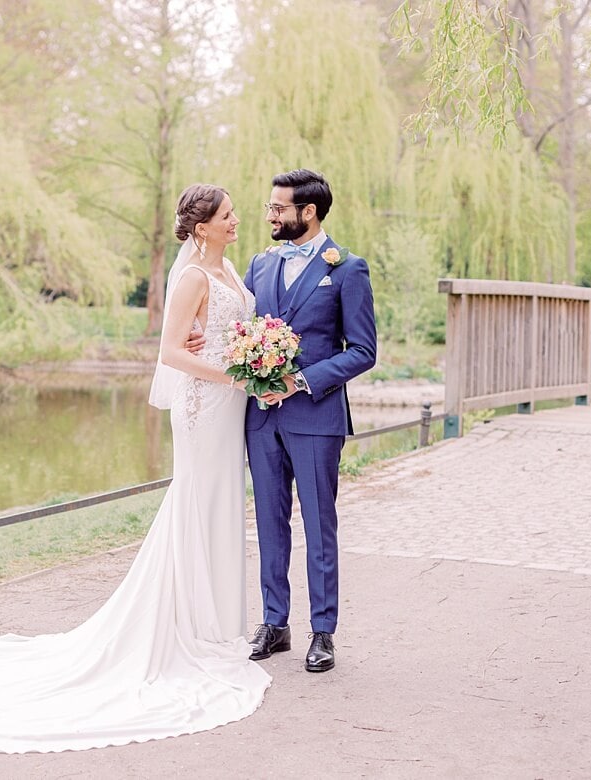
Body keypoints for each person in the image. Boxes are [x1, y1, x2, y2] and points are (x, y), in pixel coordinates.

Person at [0, 183, 270, 753]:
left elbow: (220, 334)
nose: (236, 220)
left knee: (222, 504)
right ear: (201, 226)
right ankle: (191, 627)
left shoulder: (229, 270)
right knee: (198, 501)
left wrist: (251, 358)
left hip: (229, 405)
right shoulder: (191, 278)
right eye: (227, 215)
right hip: (205, 406)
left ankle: (218, 625)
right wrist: (237, 375)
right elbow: (170, 353)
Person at [242, 168, 377, 673]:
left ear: (309, 212)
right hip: (261, 419)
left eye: (279, 208)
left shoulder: (347, 269)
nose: (271, 216)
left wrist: (299, 381)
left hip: (317, 418)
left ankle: (323, 632)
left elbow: (362, 351)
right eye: (270, 207)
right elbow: (241, 327)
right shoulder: (260, 264)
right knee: (268, 523)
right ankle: (274, 622)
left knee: (319, 526)